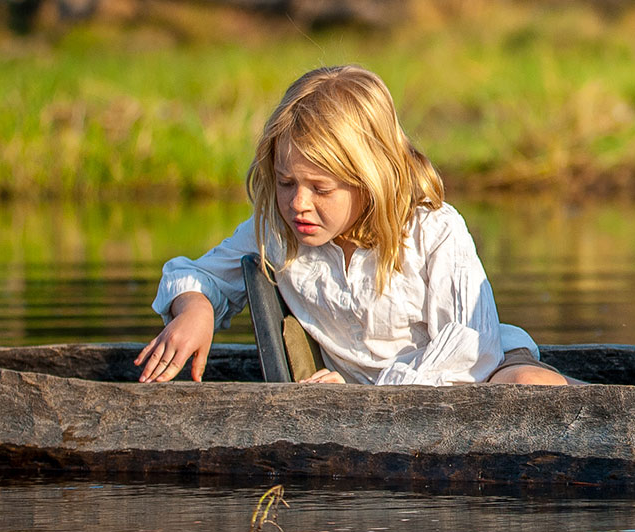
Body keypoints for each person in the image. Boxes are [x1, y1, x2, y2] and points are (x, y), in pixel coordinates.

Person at [137, 64, 572, 387]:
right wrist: (196, 307)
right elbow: (199, 273)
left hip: (482, 374)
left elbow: (469, 350)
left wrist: (367, 397)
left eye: (320, 189)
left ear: (368, 179)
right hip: (367, 407)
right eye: (286, 182)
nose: (298, 204)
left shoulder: (433, 232)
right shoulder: (277, 232)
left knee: (525, 389)